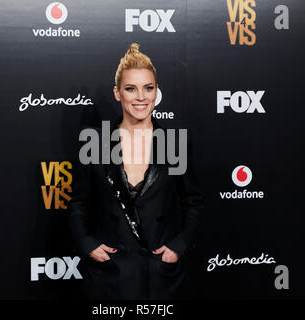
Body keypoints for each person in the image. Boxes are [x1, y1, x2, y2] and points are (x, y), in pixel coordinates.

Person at [68, 43, 204, 300]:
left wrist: (178, 246)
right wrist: (88, 244)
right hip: (111, 277)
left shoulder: (174, 142)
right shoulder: (95, 142)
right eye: (131, 89)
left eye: (148, 88)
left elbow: (193, 202)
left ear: (156, 92)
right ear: (118, 93)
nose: (141, 97)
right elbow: (79, 202)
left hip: (161, 278)